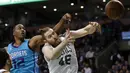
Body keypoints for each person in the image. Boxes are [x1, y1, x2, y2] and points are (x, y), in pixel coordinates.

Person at [7, 13, 71, 73]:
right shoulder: (8, 49)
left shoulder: (32, 42)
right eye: (19, 28)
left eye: (23, 28)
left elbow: (51, 33)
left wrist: (63, 20)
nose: (22, 30)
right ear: (14, 33)